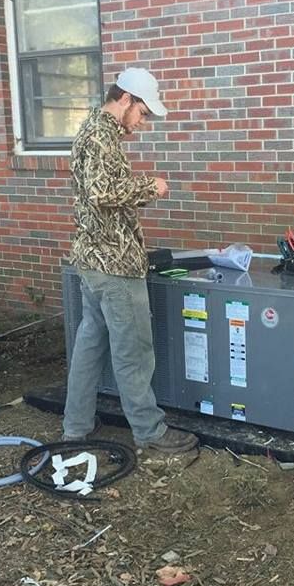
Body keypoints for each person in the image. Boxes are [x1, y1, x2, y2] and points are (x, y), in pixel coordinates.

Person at [62, 67, 199, 454]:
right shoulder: (102, 136)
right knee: (134, 351)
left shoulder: (92, 127)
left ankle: (76, 425)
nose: (142, 122)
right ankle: (150, 432)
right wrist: (149, 186)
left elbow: (96, 191)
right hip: (114, 264)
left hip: (92, 258)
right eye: (142, 113)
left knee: (91, 342)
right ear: (125, 99)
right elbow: (102, 192)